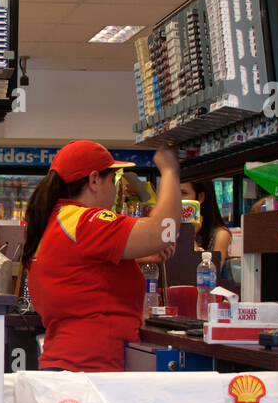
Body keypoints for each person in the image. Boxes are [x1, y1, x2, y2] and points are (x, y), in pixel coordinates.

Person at [23, 140, 181, 372]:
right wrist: (169, 171)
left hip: (64, 365)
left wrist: (132, 256)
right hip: (91, 371)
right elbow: (165, 230)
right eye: (114, 179)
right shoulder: (86, 221)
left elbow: (78, 270)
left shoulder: (53, 221)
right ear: (94, 180)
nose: (117, 188)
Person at [180, 180, 231, 263]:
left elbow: (210, 271)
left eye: (183, 193)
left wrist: (190, 237)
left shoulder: (220, 234)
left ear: (200, 197)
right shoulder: (170, 228)